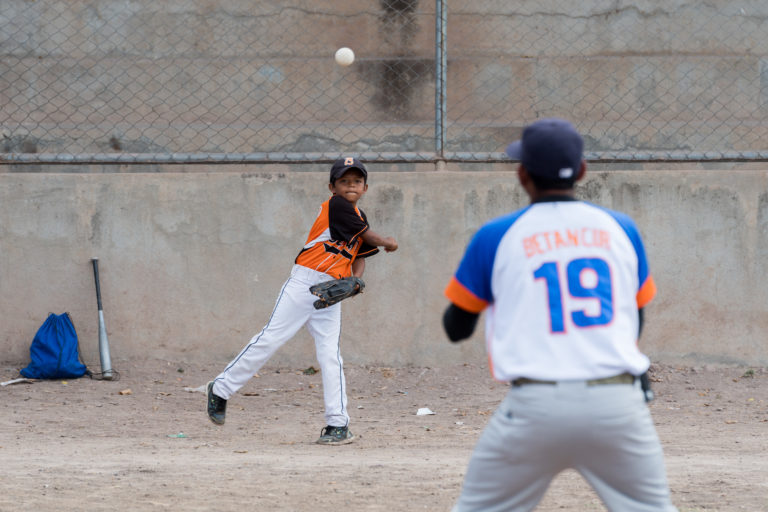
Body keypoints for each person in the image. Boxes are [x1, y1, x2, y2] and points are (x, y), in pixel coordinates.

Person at [443, 118, 677, 511]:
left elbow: (456, 328)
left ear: (522, 175)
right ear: (582, 171)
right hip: (617, 404)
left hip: (536, 407)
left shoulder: (496, 234)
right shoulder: (621, 228)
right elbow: (636, 319)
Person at [207, 156, 398, 444]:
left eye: (356, 181)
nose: (350, 186)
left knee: (330, 356)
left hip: (330, 290)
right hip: (304, 283)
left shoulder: (360, 218)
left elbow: (360, 255)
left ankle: (338, 424)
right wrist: (387, 242)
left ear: (366, 188)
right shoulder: (336, 206)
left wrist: (356, 282)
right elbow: (371, 238)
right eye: (344, 181)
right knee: (271, 338)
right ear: (332, 187)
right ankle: (220, 389)